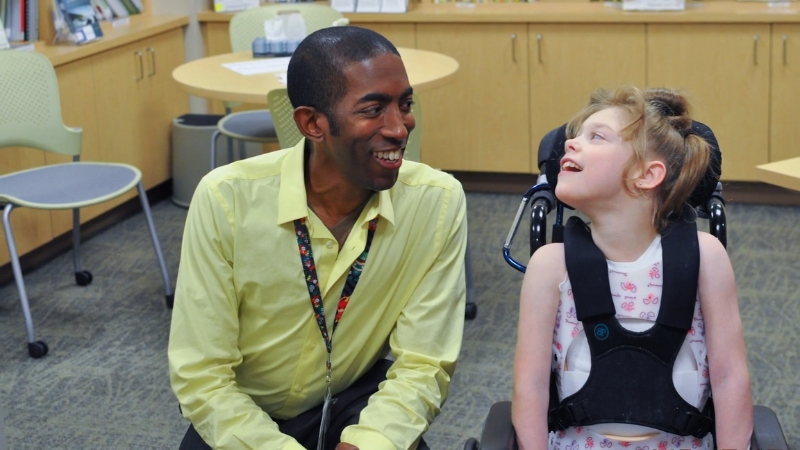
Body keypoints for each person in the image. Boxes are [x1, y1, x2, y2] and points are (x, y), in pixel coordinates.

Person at [168, 26, 468, 450]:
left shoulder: (436, 202)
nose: (400, 128)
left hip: (355, 402)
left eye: (405, 104)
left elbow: (423, 362)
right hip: (245, 415)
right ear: (312, 124)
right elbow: (201, 374)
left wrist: (371, 441)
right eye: (373, 109)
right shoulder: (227, 199)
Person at [512, 86, 753, 450]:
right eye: (575, 137)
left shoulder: (706, 258)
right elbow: (528, 386)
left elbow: (730, 378)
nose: (571, 144)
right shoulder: (550, 266)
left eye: (597, 137)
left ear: (646, 174)